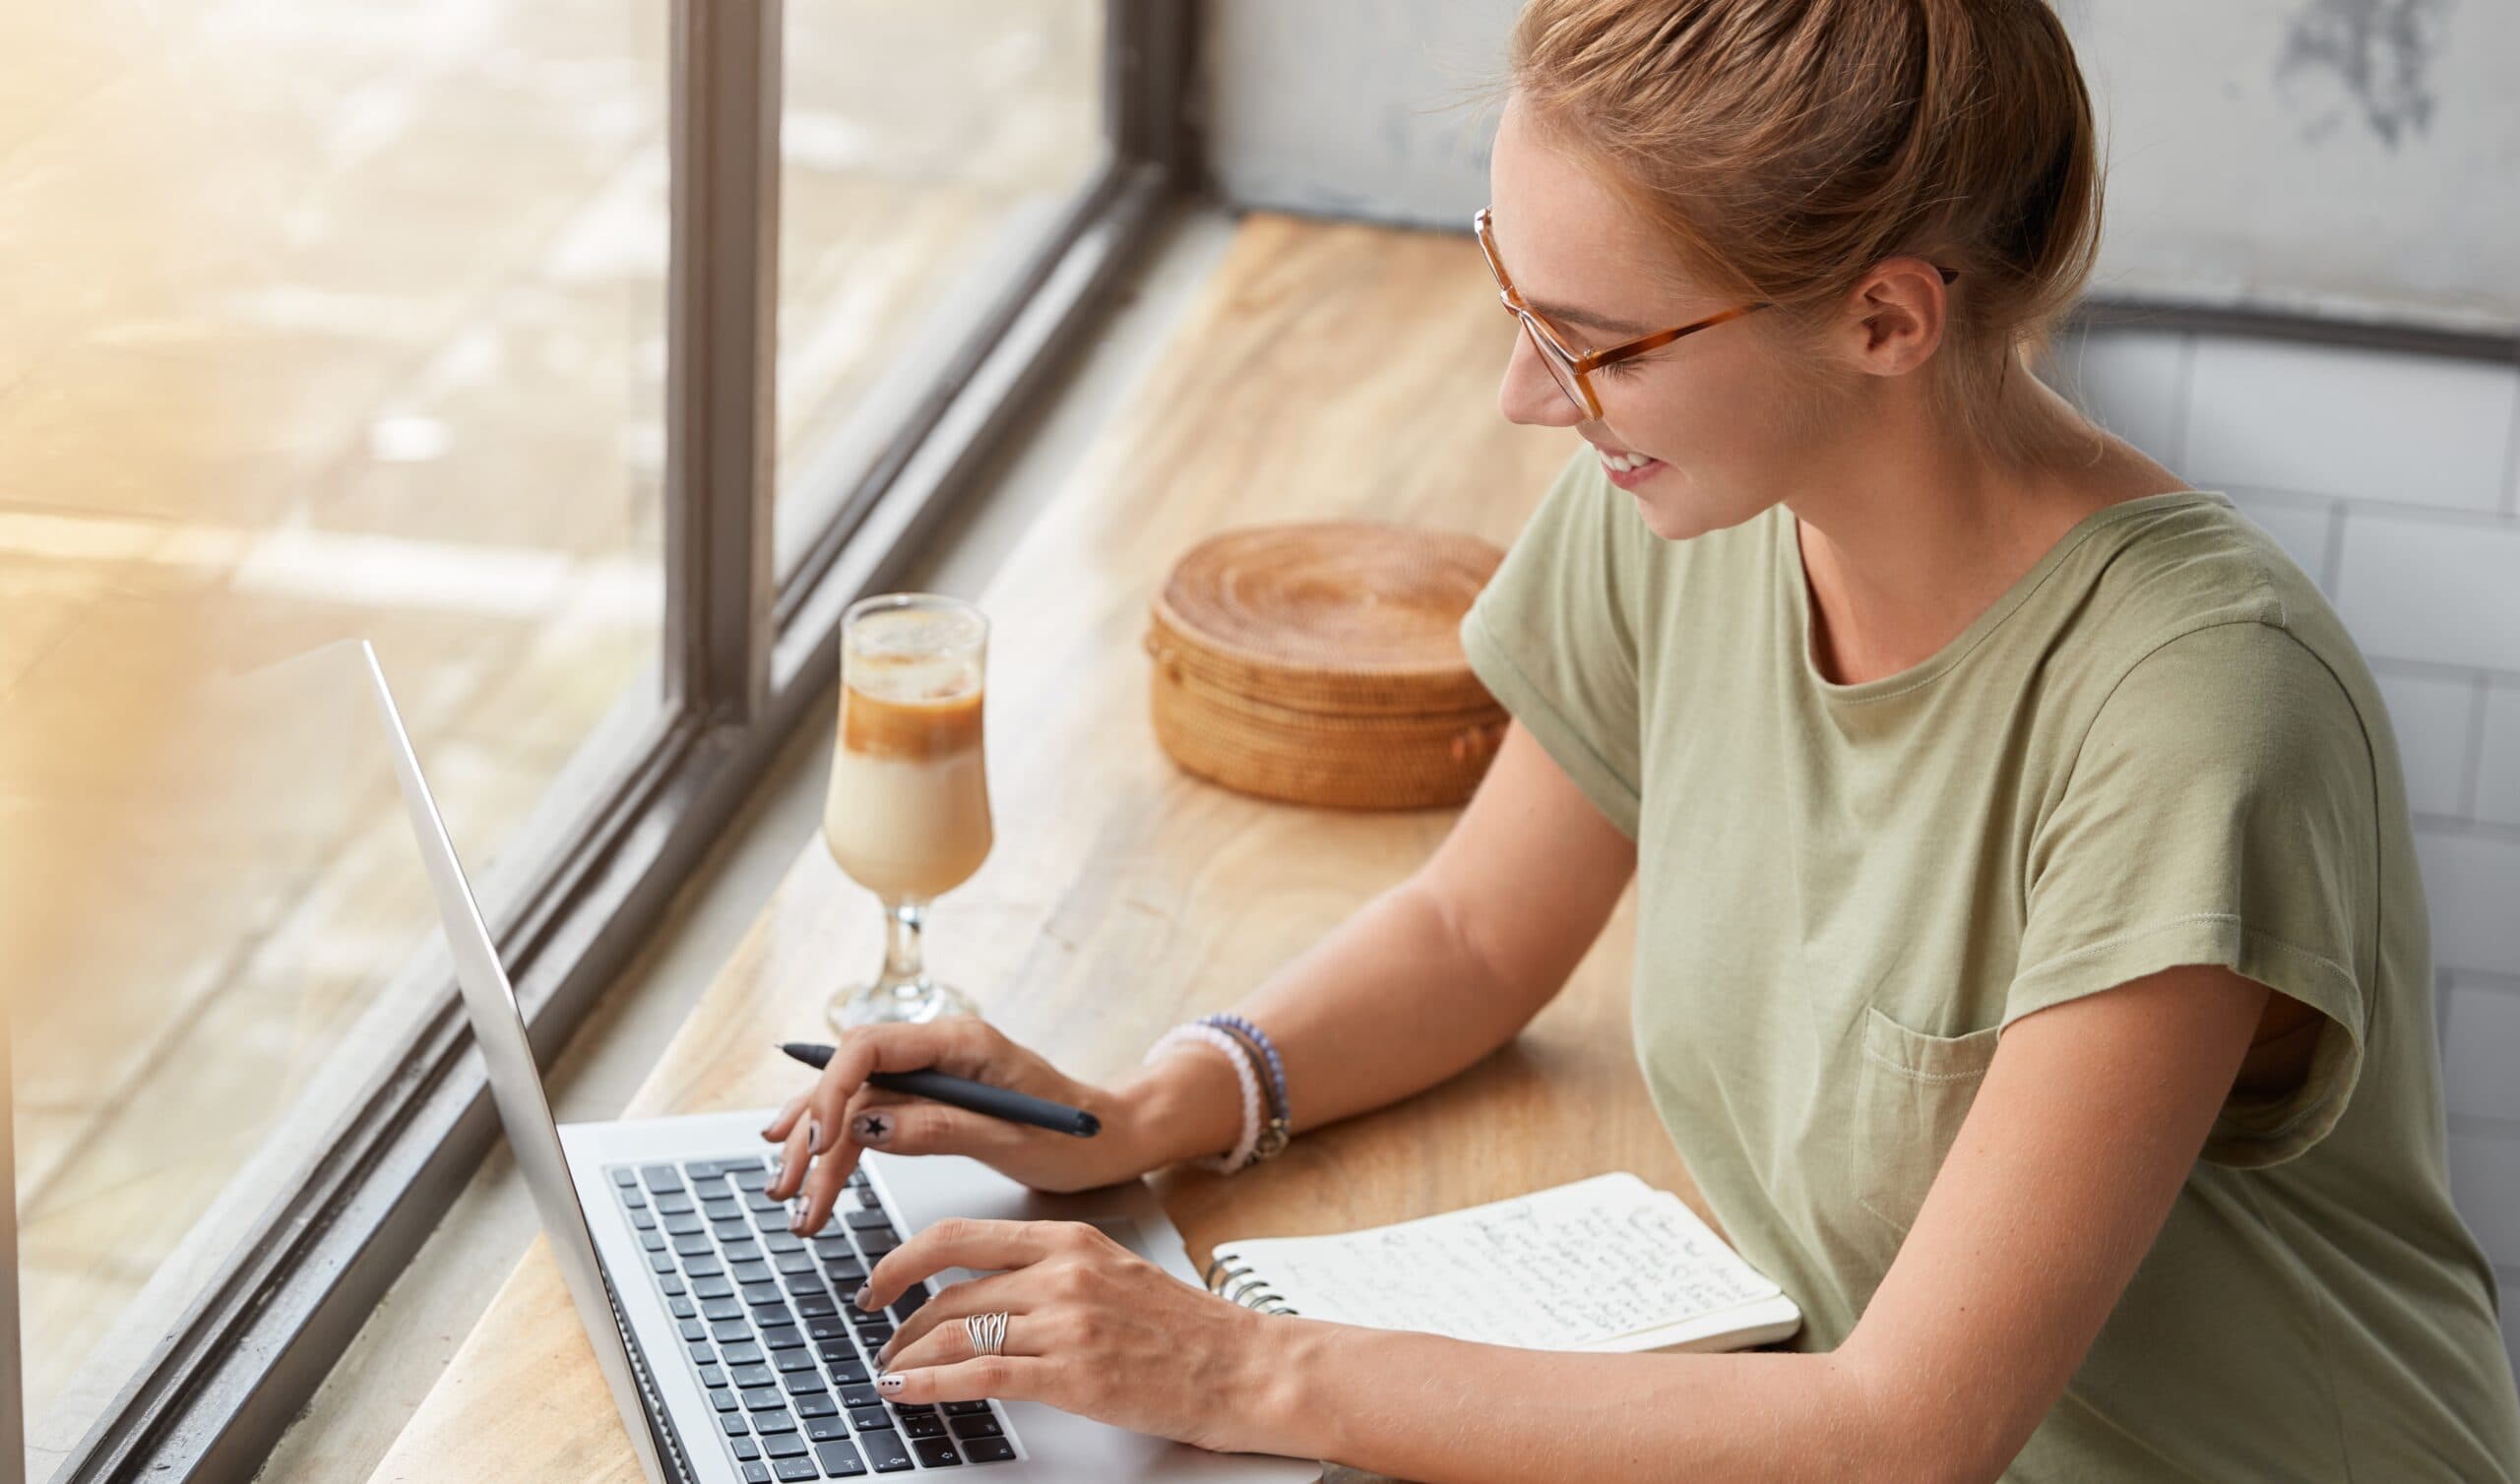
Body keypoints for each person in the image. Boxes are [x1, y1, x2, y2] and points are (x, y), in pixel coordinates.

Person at [761, 1, 2520, 1477]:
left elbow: (1905, 1431)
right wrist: (1145, 1107)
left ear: (1884, 320)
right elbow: (1473, 932)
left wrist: (1225, 1364)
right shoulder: (1698, 494)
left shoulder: (2195, 704)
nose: (1530, 395)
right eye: (1515, 298)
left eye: (1594, 342)